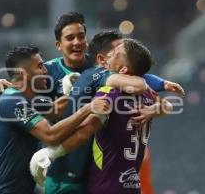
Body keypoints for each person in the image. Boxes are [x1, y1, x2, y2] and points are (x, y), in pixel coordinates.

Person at [30, 38, 176, 193]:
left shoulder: (110, 92)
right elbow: (167, 105)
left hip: (105, 185)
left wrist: (52, 153)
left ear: (123, 70)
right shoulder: (149, 95)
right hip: (132, 185)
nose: (110, 55)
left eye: (116, 54)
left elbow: (85, 132)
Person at [0, 45, 109, 193]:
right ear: (24, 74)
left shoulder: (26, 99)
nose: (45, 71)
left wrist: (83, 90)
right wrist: (89, 108)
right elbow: (51, 135)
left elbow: (57, 109)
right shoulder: (12, 101)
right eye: (40, 66)